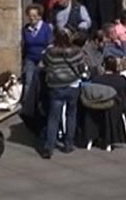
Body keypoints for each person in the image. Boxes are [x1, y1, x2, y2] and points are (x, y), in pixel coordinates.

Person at [39, 28, 86, 159]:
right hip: (72, 85)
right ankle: (68, 144)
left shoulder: (50, 52)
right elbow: (81, 68)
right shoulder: (76, 51)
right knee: (71, 114)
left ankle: (49, 147)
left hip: (56, 86)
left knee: (53, 117)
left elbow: (45, 64)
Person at [21, 4, 53, 94]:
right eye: (30, 16)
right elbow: (24, 45)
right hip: (30, 58)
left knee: (41, 83)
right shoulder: (25, 29)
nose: (32, 18)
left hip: (43, 60)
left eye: (34, 16)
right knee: (29, 81)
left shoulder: (46, 28)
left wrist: (44, 59)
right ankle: (27, 104)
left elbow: (50, 45)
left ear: (39, 16)